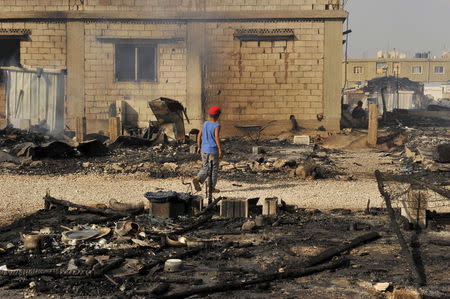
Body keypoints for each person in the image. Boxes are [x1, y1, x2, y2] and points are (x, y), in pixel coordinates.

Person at [192, 106, 223, 193]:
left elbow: (199, 135)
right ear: (218, 116)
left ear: (209, 115)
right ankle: (211, 187)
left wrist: (199, 146)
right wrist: (220, 149)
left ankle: (198, 178)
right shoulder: (217, 125)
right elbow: (216, 137)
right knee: (214, 169)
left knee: (206, 167)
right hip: (213, 151)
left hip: (204, 150)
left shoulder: (205, 123)